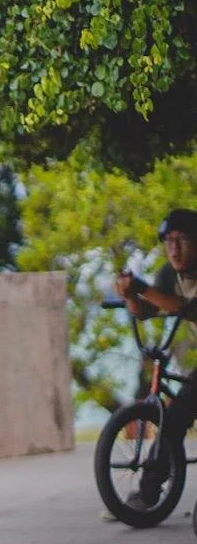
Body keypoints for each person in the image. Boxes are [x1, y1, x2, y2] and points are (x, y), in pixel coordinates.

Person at [113, 207, 197, 509]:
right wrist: (130, 296)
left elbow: (183, 307)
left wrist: (142, 288)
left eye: (181, 240)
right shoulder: (168, 273)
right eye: (168, 241)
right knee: (174, 419)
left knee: (184, 404)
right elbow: (151, 309)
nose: (173, 248)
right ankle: (148, 494)